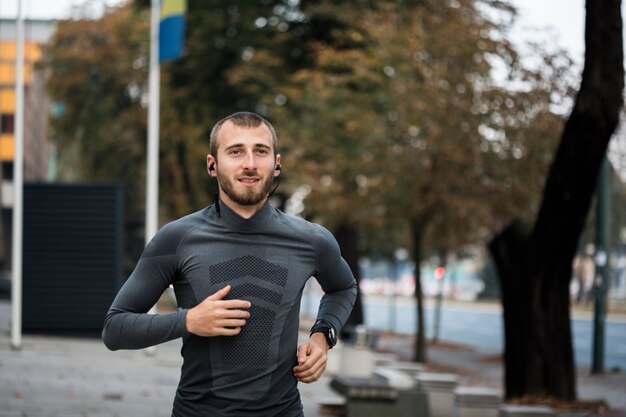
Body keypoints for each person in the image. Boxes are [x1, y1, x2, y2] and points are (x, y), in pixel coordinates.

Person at [102, 111, 358, 417]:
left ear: (276, 164)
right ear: (212, 164)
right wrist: (188, 321)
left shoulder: (312, 240)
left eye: (260, 151)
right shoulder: (178, 238)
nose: (249, 163)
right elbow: (115, 328)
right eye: (235, 151)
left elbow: (343, 287)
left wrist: (322, 335)